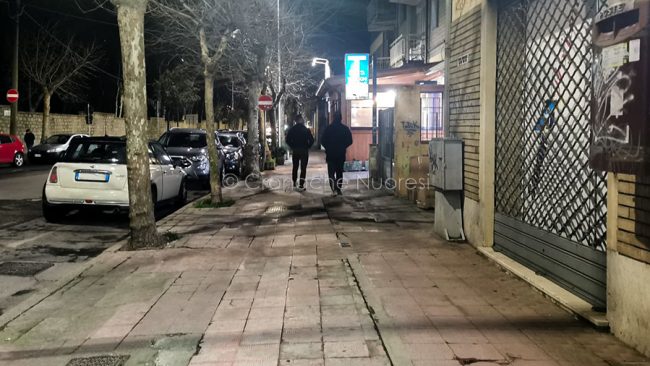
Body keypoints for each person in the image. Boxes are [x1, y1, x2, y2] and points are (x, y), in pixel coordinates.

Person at [321, 111, 353, 196]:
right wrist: (343, 146)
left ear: (333, 118)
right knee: (339, 172)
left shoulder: (328, 128)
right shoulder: (345, 129)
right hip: (340, 154)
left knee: (331, 172)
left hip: (331, 154)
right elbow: (350, 141)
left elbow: (323, 140)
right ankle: (338, 189)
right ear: (341, 118)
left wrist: (328, 147)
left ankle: (333, 189)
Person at [285, 115, 314, 191]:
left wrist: (292, 146)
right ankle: (301, 184)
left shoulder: (292, 129)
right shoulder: (306, 130)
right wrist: (308, 146)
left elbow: (287, 140)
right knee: (303, 167)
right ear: (301, 120)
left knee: (295, 166)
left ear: (295, 121)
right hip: (304, 150)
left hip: (296, 150)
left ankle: (294, 182)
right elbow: (311, 140)